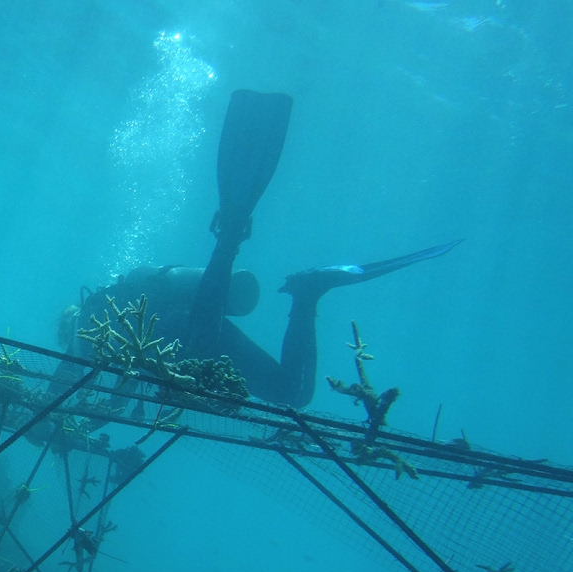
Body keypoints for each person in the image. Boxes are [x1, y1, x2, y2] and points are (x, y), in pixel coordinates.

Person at [61, 89, 460, 408]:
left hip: (183, 331)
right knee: (292, 394)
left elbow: (87, 389)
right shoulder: (105, 314)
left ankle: (231, 236)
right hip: (195, 336)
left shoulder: (85, 326)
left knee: (203, 340)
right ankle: (307, 293)